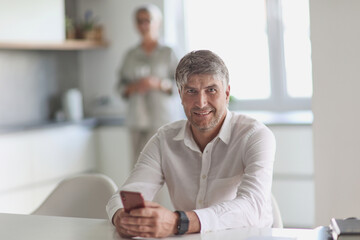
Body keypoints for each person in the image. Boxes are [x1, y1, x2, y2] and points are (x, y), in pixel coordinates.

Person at [107, 50, 276, 238]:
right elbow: (123, 195)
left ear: (226, 93)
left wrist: (179, 222)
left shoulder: (255, 136)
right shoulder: (164, 140)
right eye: (191, 91)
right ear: (180, 95)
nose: (201, 103)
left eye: (211, 90)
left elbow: (253, 206)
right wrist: (121, 217)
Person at [117, 4, 179, 165]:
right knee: (138, 168)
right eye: (139, 21)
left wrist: (159, 84)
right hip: (137, 121)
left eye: (148, 20)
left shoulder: (169, 52)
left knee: (165, 167)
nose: (144, 25)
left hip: (162, 120)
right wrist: (134, 86)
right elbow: (120, 87)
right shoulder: (130, 55)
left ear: (158, 22)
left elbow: (183, 85)